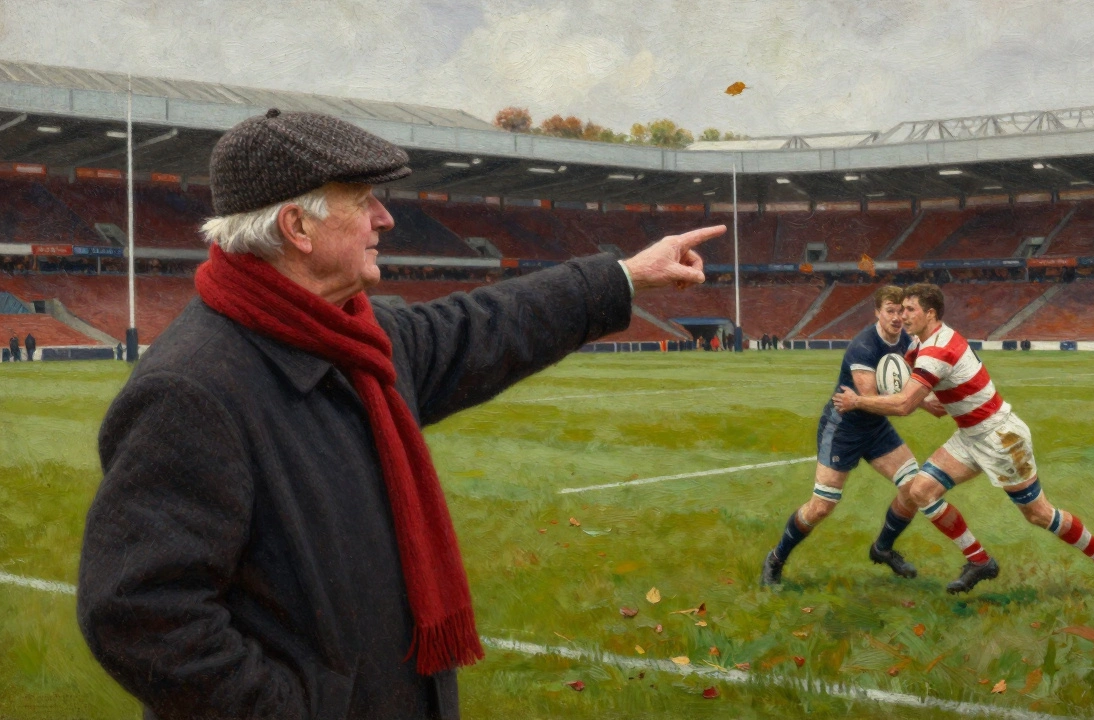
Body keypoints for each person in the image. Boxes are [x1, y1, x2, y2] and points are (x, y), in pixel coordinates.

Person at [76, 108, 725, 720]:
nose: (385, 219)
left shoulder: (360, 341)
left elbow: (490, 328)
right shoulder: (194, 391)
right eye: (364, 202)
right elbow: (138, 610)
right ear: (296, 229)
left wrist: (627, 277)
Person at [840, 284, 1094, 596]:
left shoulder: (937, 350)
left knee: (1038, 514)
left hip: (1000, 437)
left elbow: (903, 404)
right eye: (900, 309)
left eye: (910, 310)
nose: (903, 315)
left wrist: (859, 402)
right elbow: (908, 368)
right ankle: (979, 561)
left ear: (930, 313)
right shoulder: (925, 342)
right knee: (921, 490)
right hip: (970, 435)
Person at [762, 286, 946, 586]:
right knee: (822, 506)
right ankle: (776, 558)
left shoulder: (907, 342)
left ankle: (882, 548)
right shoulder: (863, 347)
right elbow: (872, 397)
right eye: (890, 310)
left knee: (914, 488)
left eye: (902, 310)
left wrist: (926, 400)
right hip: (844, 428)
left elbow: (902, 384)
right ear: (877, 312)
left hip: (875, 427)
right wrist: (920, 404)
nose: (897, 317)